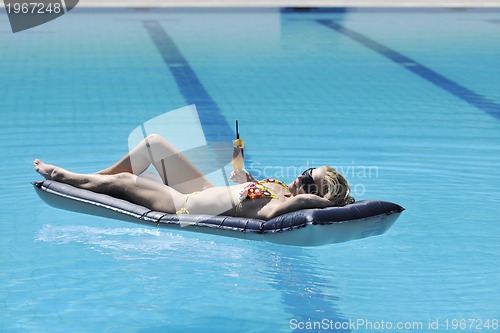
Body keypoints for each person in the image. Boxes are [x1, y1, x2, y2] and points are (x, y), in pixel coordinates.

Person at [34, 134, 354, 220]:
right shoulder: (282, 189)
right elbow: (243, 180)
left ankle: (70, 178)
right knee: (154, 143)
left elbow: (276, 207)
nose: (302, 180)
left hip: (184, 204)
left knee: (127, 183)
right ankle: (91, 177)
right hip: (207, 190)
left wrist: (315, 199)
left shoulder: (285, 205)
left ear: (316, 195)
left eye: (310, 182)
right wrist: (239, 161)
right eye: (306, 172)